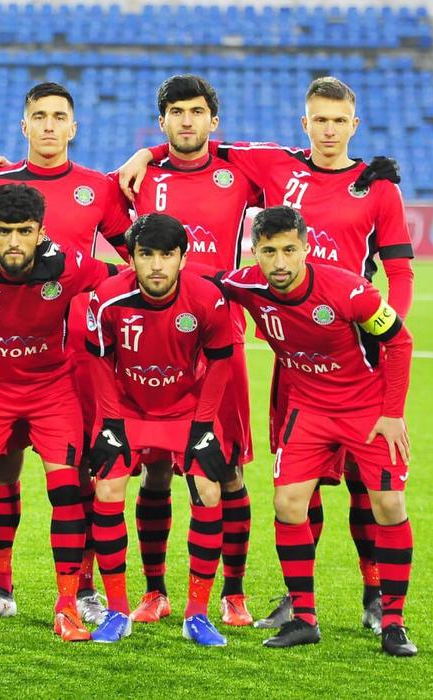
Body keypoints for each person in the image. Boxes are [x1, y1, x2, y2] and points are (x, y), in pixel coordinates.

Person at [120, 76, 412, 632]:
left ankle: (375, 595)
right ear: (305, 123)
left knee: (364, 480)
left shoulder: (374, 187)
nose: (328, 130)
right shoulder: (275, 165)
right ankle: (297, 600)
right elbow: (197, 144)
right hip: (293, 356)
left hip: (355, 346)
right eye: (319, 119)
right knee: (299, 482)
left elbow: (400, 269)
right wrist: (146, 152)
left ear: (353, 124)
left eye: (338, 120)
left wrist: (388, 325)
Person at [0, 82, 133, 624]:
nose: (49, 125)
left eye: (59, 116)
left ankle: (84, 590)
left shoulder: (98, 188)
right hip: (5, 359)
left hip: (79, 359)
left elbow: (132, 261)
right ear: (24, 125)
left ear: (73, 127)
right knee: (0, 470)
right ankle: (0, 586)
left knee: (80, 476)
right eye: (40, 116)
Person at [219, 206, 416, 657]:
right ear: (255, 252)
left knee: (388, 504)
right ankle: (304, 619)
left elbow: (400, 341)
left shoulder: (349, 290)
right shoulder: (245, 285)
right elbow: (200, 284)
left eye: (290, 250)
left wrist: (392, 413)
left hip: (366, 410)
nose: (280, 262)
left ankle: (394, 622)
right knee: (288, 504)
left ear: (306, 248)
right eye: (269, 251)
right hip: (307, 410)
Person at [0, 184, 118, 641]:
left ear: (40, 232)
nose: (14, 241)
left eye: (24, 231)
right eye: (3, 231)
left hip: (53, 391)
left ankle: (67, 606)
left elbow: (124, 277)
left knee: (67, 493)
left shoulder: (69, 266)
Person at [114, 74, 260, 626]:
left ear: (212, 120)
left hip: (221, 341)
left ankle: (234, 592)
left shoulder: (240, 172)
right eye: (176, 112)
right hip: (155, 346)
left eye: (196, 111)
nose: (187, 121)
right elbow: (68, 194)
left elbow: (301, 169)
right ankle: (155, 591)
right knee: (153, 470)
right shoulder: (139, 177)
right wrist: (3, 170)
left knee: (227, 470)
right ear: (162, 121)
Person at [86, 213, 235, 646]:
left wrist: (204, 425)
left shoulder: (207, 298)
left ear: (183, 258)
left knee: (208, 490)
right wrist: (110, 422)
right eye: (145, 254)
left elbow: (220, 362)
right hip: (127, 409)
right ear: (130, 257)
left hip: (186, 410)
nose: (155, 265)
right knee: (106, 489)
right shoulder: (107, 298)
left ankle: (197, 614)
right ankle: (117, 612)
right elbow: (99, 360)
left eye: (166, 255)